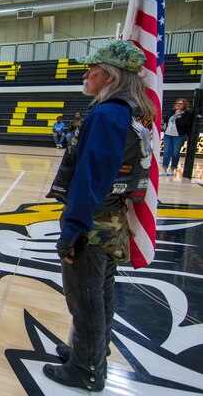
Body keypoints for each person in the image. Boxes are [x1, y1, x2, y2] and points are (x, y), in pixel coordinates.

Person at [43, 39, 154, 392]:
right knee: (101, 293)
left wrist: (72, 228)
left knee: (85, 298)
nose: (86, 75)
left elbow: (92, 176)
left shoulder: (107, 115)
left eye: (93, 70)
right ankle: (87, 351)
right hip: (109, 221)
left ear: (109, 77)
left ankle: (87, 371)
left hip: (92, 225)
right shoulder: (125, 113)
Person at [161, 98, 193, 176]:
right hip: (168, 135)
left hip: (179, 136)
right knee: (166, 152)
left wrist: (178, 115)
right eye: (176, 103)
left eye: (180, 104)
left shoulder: (187, 114)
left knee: (175, 153)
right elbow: (165, 121)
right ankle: (164, 169)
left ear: (184, 105)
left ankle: (172, 168)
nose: (178, 105)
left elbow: (182, 124)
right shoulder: (171, 112)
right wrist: (164, 128)